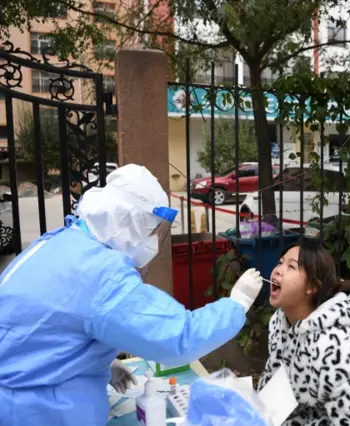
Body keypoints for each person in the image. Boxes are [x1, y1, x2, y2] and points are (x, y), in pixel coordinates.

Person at [0, 164, 264, 426]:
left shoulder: (58, 242)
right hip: (36, 412)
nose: (151, 242)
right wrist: (236, 304)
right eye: (150, 229)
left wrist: (96, 363)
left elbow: (44, 332)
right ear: (129, 219)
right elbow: (178, 338)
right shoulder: (102, 273)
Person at [258, 240, 350, 426]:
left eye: (291, 266)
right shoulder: (281, 324)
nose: (278, 270)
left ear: (313, 286)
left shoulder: (341, 349)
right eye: (280, 262)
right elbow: (272, 381)